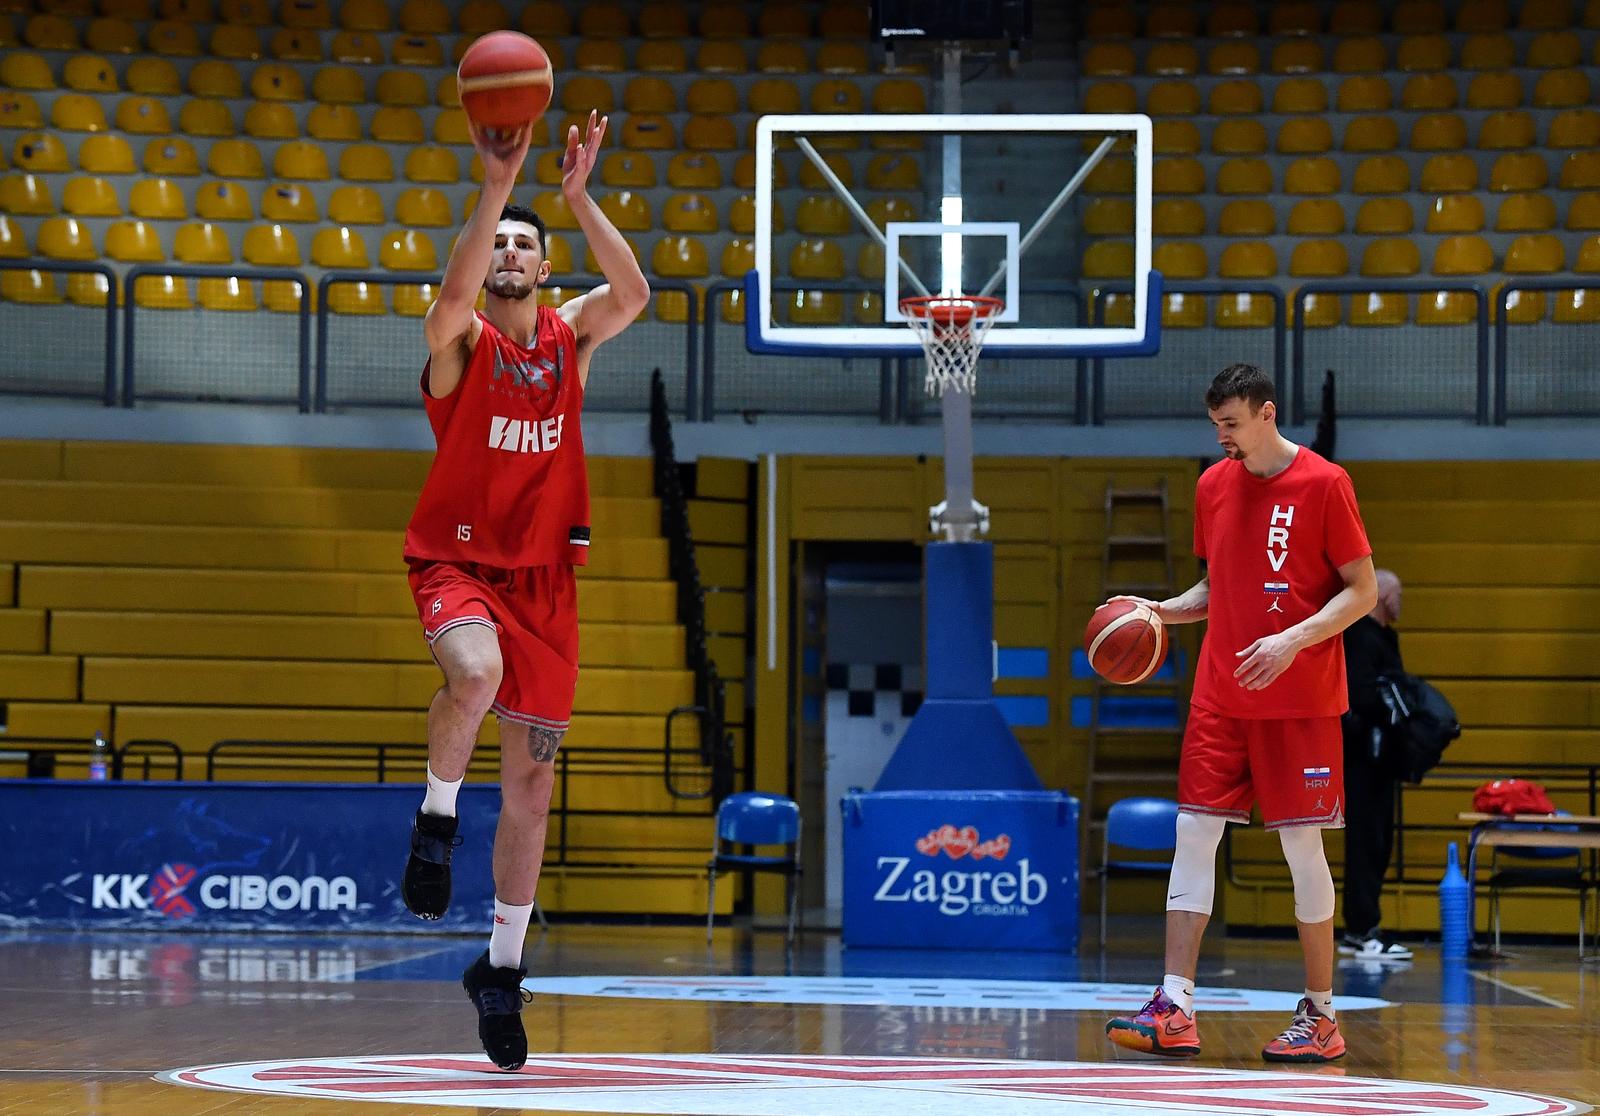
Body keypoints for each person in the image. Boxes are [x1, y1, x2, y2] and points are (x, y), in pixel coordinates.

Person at [397, 109, 650, 1072]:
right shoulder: (456, 343)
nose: (507, 250)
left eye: (523, 244)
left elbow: (633, 291)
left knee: (536, 787)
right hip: (457, 563)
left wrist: (578, 197)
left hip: (546, 579)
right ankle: (434, 820)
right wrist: (496, 182)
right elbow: (456, 288)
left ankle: (499, 969)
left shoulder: (571, 338)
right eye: (499, 240)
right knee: (473, 672)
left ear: (544, 268)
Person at [1104, 363, 1377, 1064]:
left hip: (1301, 698)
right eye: (1214, 425)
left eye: (1231, 423)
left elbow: (1362, 592)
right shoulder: (1212, 485)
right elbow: (1216, 585)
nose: (1222, 436)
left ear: (1266, 413)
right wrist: (1158, 612)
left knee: (1300, 848)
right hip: (1222, 692)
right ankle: (1175, 1005)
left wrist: (1292, 639)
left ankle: (1320, 1014)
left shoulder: (1325, 483)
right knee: (1193, 832)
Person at [1339, 568, 1414, 962]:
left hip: (1383, 759)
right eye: (1399, 593)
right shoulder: (1359, 636)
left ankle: (1364, 928)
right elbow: (1363, 697)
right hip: (1361, 759)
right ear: (1383, 595)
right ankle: (1361, 930)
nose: (1402, 601)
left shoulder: (1385, 636)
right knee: (1365, 842)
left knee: (1380, 841)